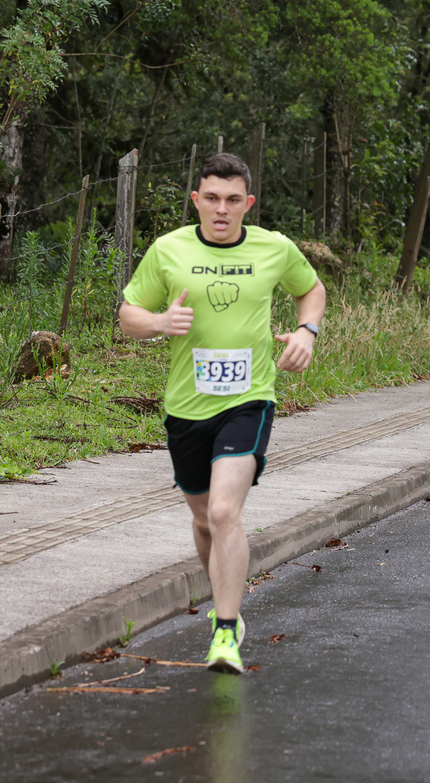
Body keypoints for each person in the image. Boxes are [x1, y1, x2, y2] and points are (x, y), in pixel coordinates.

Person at [119, 153, 326, 673]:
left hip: (248, 399)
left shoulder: (273, 248)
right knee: (202, 519)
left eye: (233, 200)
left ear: (247, 203)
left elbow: (311, 290)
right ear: (196, 200)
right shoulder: (169, 250)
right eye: (211, 198)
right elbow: (128, 315)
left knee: (223, 512)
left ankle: (226, 631)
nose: (221, 209)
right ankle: (222, 602)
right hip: (186, 406)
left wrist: (306, 332)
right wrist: (159, 322)